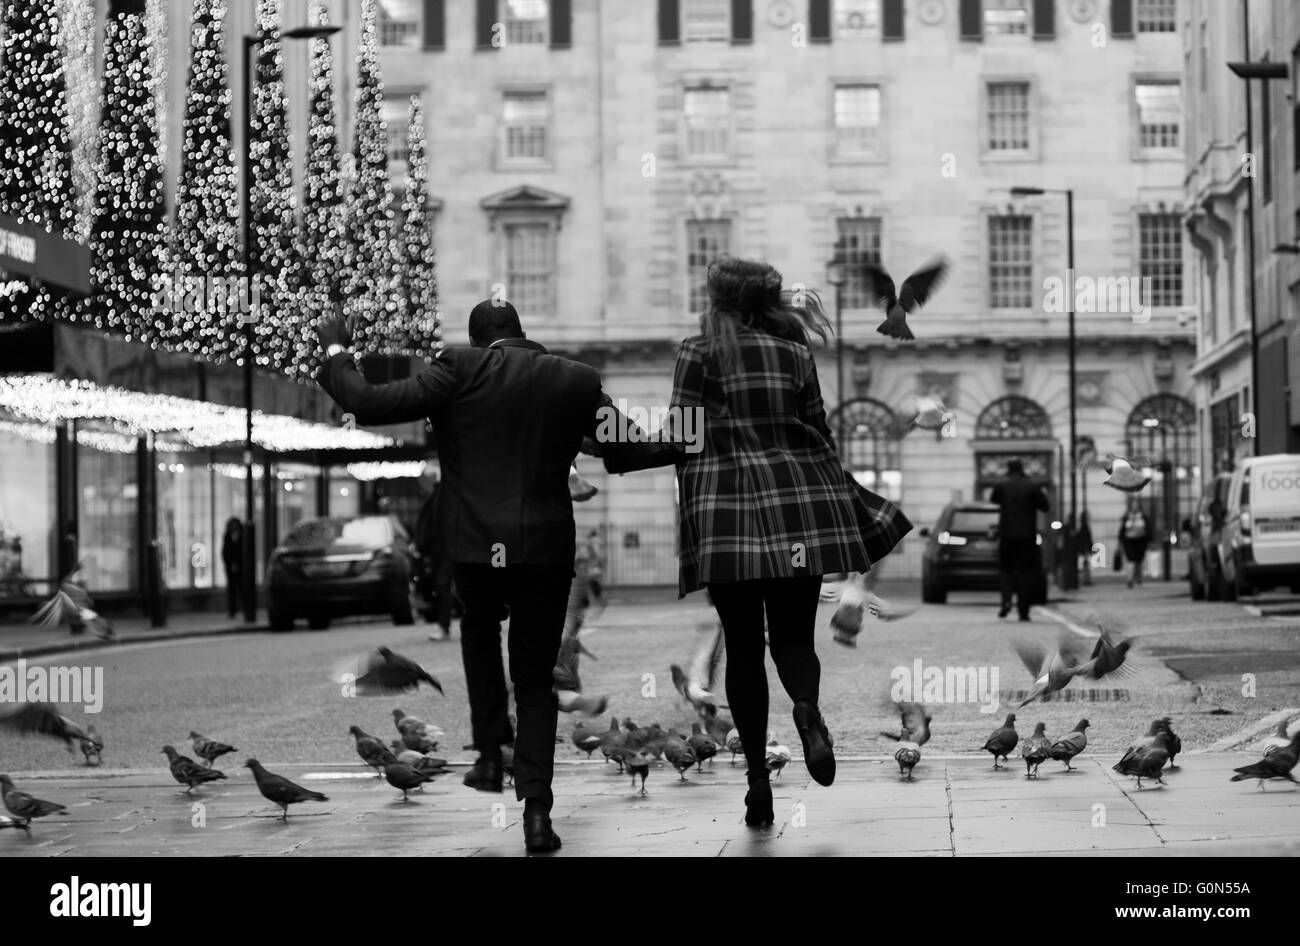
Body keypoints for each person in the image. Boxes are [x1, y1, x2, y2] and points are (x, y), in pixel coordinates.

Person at [316, 299, 645, 855]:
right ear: (521, 334)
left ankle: (492, 752)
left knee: (478, 627)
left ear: (480, 339)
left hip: (474, 547)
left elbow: (367, 401)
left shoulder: (457, 368)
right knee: (537, 679)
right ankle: (537, 814)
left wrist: (336, 348)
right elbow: (632, 444)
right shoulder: (576, 380)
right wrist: (702, 429)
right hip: (543, 547)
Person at [596, 257, 912, 827]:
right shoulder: (794, 352)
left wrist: (616, 449)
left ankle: (758, 786)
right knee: (793, 639)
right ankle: (809, 713)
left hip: (726, 513)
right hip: (799, 503)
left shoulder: (697, 351)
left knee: (743, 647)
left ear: (717, 301)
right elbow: (820, 429)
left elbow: (681, 435)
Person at [989, 459, 1049, 622]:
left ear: (1008, 469)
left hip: (1007, 535)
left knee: (1006, 570)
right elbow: (1045, 506)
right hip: (1027, 536)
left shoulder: (1002, 485)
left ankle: (1006, 601)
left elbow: (993, 500)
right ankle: (1023, 611)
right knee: (1025, 573)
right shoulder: (1032, 485)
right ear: (1022, 469)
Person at [1118, 497, 1151, 588]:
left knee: (1139, 561)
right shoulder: (1127, 516)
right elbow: (1122, 531)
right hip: (1129, 542)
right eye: (1133, 505)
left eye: (1136, 505)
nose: (1135, 506)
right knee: (1131, 560)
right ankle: (1130, 579)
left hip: (1140, 542)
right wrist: (1120, 543)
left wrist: (1148, 539)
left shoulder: (1143, 516)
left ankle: (1139, 578)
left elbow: (1148, 529)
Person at [220, 518, 243, 619]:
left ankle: (241, 608)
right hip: (230, 567)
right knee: (232, 589)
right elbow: (225, 552)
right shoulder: (227, 537)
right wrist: (231, 564)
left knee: (241, 588)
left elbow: (243, 551)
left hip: (240, 567)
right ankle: (232, 610)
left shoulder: (242, 536)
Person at [1077, 509, 1094, 587]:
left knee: (1085, 564)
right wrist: (1089, 548)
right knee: (1086, 564)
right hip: (1084, 548)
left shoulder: (1083, 526)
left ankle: (1086, 580)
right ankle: (1086, 580)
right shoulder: (1084, 526)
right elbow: (1086, 539)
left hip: (1084, 548)